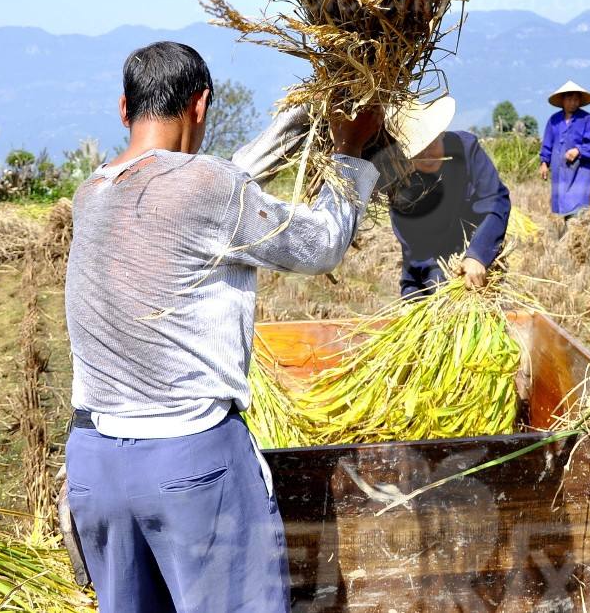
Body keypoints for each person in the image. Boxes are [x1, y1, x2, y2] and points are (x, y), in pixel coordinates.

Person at [62, 41, 381, 613]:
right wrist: (348, 151)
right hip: (188, 466)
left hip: (94, 469)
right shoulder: (209, 188)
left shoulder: (92, 193)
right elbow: (320, 245)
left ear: (123, 109)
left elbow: (205, 180)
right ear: (201, 105)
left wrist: (299, 117)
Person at [386, 95, 511, 298]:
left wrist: (478, 254)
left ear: (441, 133)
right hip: (424, 265)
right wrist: (446, 287)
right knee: (422, 309)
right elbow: (418, 251)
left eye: (431, 144)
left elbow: (496, 201)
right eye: (418, 151)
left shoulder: (467, 149)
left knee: (482, 312)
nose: (427, 156)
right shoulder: (400, 183)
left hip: (477, 251)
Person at [539, 81, 590, 224]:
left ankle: (575, 238)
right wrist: (544, 163)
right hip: (560, 172)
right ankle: (564, 239)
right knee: (561, 209)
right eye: (569, 99)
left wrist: (578, 150)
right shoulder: (554, 121)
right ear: (562, 100)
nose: (573, 103)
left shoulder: (587, 120)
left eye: (576, 99)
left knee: (578, 210)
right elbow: (547, 144)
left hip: (579, 173)